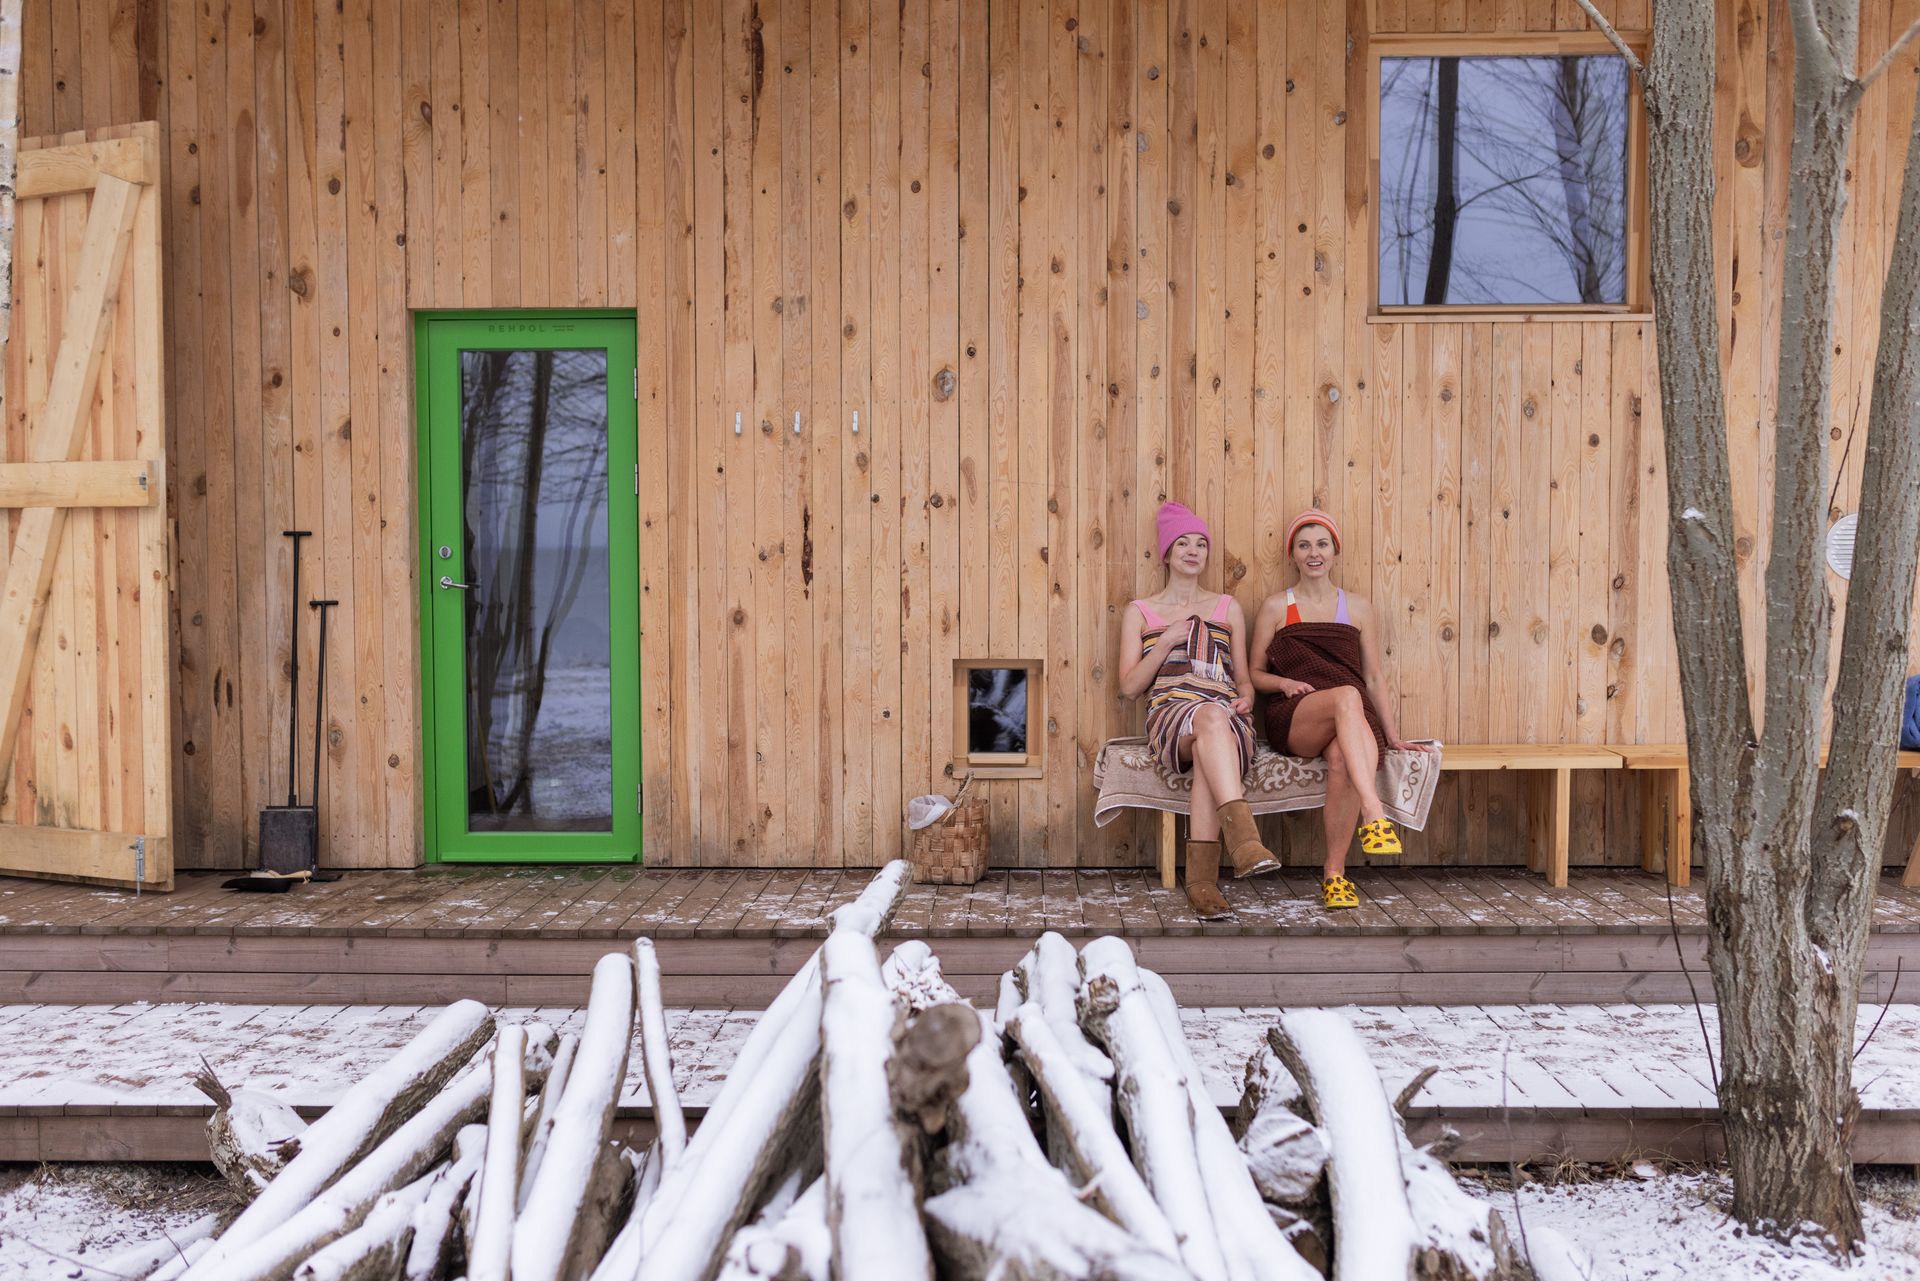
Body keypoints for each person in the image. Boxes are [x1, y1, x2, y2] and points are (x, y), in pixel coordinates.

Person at [1251, 509, 1431, 910]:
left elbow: (1374, 678)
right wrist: (1283, 683)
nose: (1313, 553)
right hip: (1296, 716)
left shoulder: (1359, 608)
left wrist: (1394, 734)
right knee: (1347, 695)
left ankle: (1335, 877)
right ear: (1292, 555)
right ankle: (1374, 811)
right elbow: (1254, 674)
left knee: (1342, 759)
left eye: (1321, 544)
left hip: (1349, 719)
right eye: (1304, 545)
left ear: (1335, 551)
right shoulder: (1277, 607)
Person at [1118, 501, 1279, 920]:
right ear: (1167, 554)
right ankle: (1244, 842)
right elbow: (1131, 686)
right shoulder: (1141, 612)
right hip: (1171, 714)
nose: (1193, 550)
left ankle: (1203, 883)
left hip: (1225, 716)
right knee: (1209, 718)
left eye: (1201, 543)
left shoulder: (1228, 608)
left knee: (1214, 723)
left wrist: (1246, 700)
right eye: (1183, 543)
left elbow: (1243, 680)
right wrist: (1169, 640)